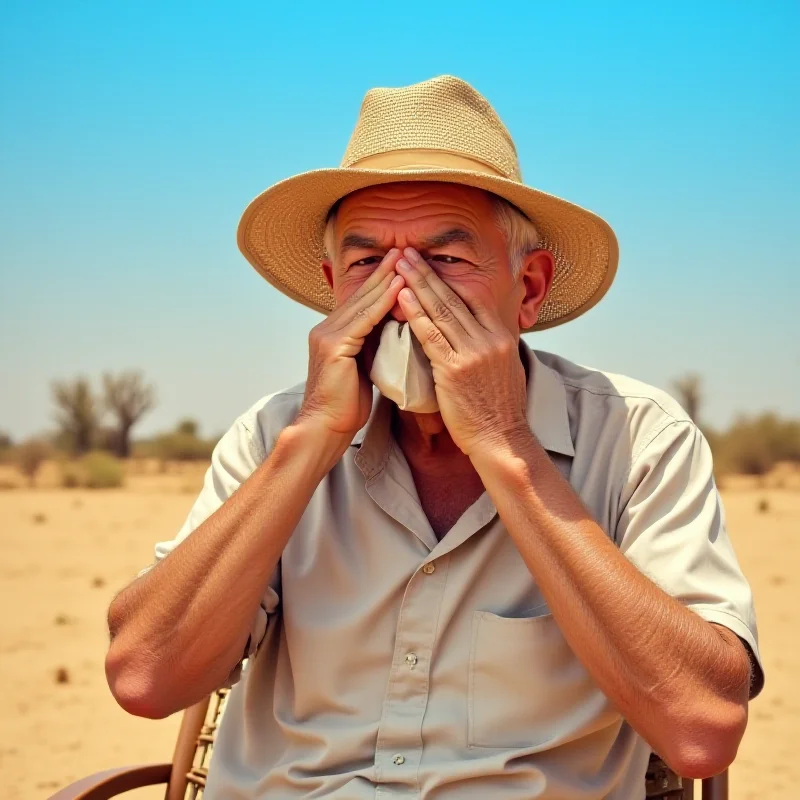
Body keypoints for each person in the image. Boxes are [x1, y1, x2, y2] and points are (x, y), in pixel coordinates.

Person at [105, 76, 763, 799]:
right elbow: (143, 675)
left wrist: (506, 445)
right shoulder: (273, 436)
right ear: (333, 290)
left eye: (444, 261)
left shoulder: (637, 439)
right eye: (368, 267)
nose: (405, 299)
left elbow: (700, 729)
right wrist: (312, 442)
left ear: (530, 289)